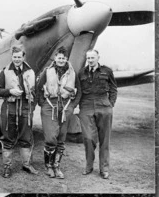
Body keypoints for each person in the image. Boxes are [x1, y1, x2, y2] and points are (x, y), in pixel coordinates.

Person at [0, 45, 38, 178]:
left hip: (25, 107)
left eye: (19, 57)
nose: (17, 59)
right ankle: (7, 167)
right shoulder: (5, 72)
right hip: (9, 107)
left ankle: (26, 164)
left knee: (26, 136)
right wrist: (9, 91)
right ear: (11, 57)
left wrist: (31, 106)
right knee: (8, 137)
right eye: (14, 57)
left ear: (23, 57)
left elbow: (35, 92)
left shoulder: (31, 72)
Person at [36, 47, 81, 179]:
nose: (61, 60)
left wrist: (73, 106)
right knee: (51, 138)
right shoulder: (47, 71)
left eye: (63, 58)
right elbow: (38, 88)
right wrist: (42, 103)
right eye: (59, 58)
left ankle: (56, 166)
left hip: (66, 107)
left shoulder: (73, 73)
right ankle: (48, 166)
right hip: (50, 106)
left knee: (61, 139)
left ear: (66, 59)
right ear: (55, 58)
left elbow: (80, 91)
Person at [78, 49, 117, 179]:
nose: (90, 60)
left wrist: (110, 104)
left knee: (105, 139)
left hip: (103, 105)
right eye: (88, 58)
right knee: (88, 138)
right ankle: (89, 166)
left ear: (98, 57)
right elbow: (78, 91)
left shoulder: (107, 71)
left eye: (92, 58)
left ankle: (104, 169)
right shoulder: (81, 72)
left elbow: (113, 88)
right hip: (86, 105)